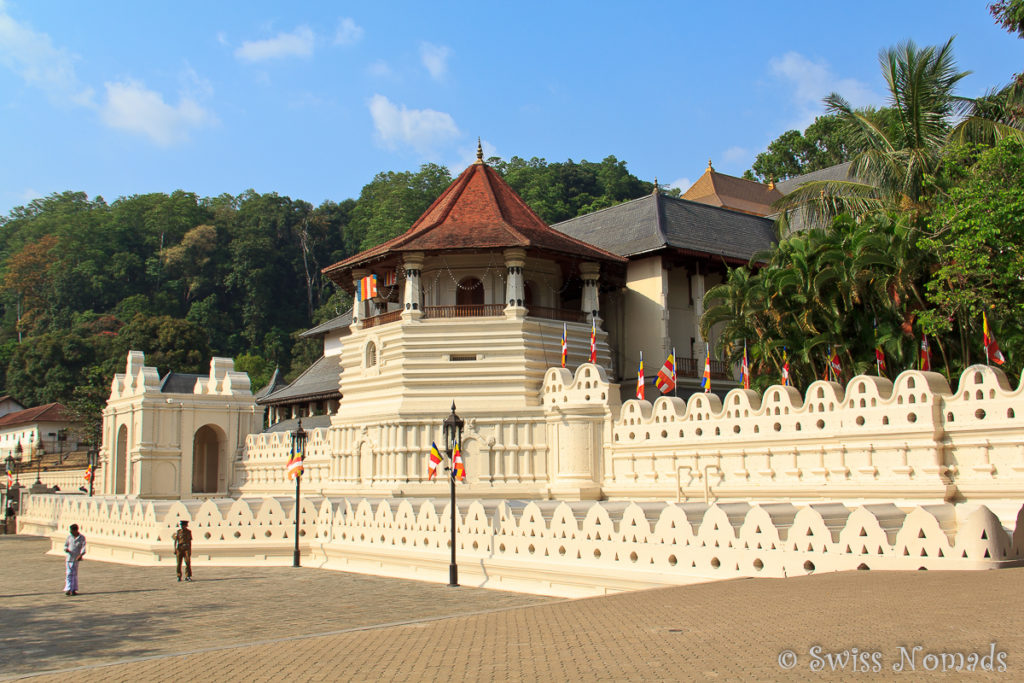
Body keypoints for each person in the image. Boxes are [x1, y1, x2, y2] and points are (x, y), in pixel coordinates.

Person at [63, 524, 86, 596]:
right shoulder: (69, 537)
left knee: (74, 574)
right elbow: (65, 545)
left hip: (76, 558)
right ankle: (68, 589)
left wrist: (81, 555)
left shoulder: (81, 538)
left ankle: (73, 589)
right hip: (69, 558)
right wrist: (66, 549)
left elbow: (83, 547)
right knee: (69, 573)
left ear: (75, 530)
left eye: (72, 530)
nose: (70, 532)